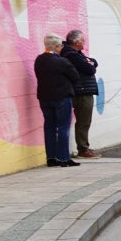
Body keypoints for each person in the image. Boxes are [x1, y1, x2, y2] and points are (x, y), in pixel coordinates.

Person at [34, 33, 81, 167]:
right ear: (56, 47)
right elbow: (75, 76)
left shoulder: (39, 60)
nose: (62, 48)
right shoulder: (62, 61)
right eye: (60, 46)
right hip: (61, 97)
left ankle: (51, 158)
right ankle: (64, 158)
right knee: (63, 128)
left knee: (49, 127)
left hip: (44, 98)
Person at [61, 30, 100, 158]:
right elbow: (89, 69)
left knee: (83, 121)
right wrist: (90, 64)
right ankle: (83, 149)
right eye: (82, 40)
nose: (84, 43)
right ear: (76, 42)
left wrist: (90, 62)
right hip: (82, 91)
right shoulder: (72, 54)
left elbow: (93, 62)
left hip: (82, 90)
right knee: (84, 121)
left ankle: (83, 147)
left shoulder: (75, 53)